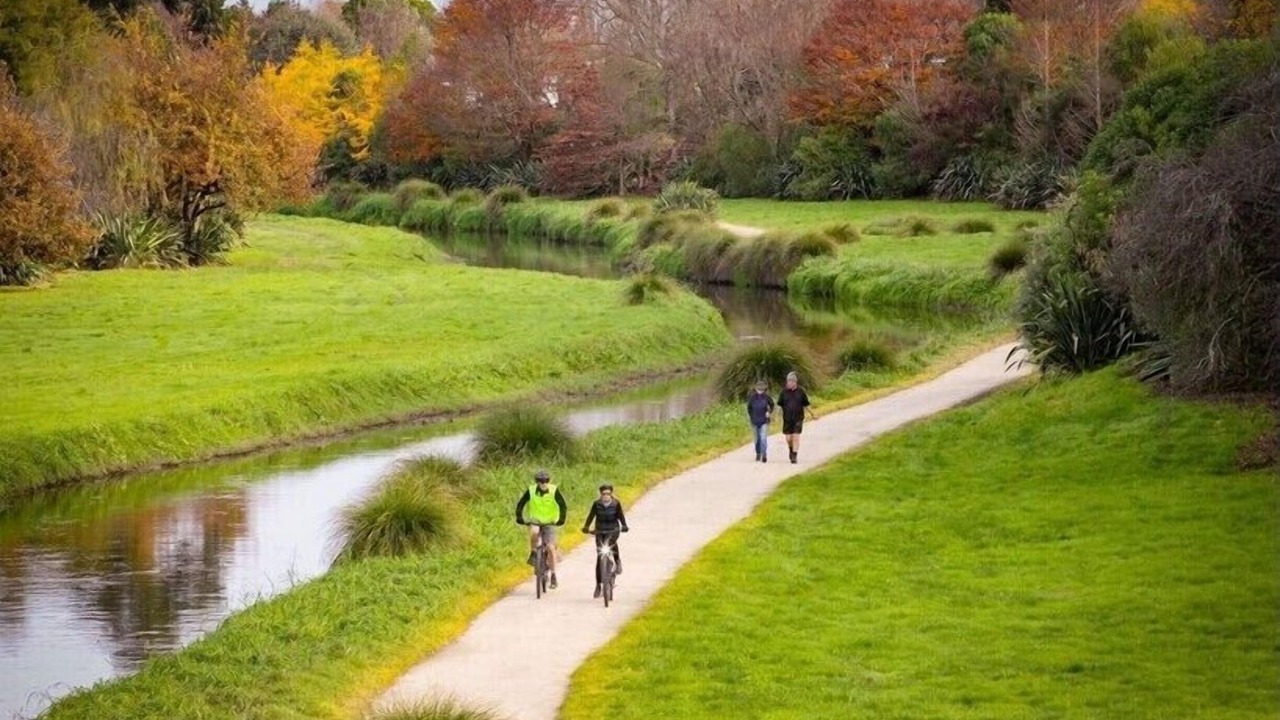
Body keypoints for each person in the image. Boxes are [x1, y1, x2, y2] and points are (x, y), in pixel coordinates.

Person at [514, 469, 567, 589]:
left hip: (550, 521)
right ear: (537, 482)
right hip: (535, 520)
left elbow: (562, 505)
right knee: (534, 532)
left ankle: (553, 575)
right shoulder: (531, 490)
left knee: (550, 547)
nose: (543, 483)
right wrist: (519, 517)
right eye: (540, 481)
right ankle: (533, 552)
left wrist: (561, 519)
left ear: (548, 481)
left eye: (545, 481)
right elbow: (521, 504)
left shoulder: (554, 490)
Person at [581, 483, 629, 598]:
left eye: (608, 493)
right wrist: (586, 527)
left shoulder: (616, 503)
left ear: (611, 494)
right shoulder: (596, 504)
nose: (606, 496)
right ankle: (598, 585)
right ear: (600, 494)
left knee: (611, 543)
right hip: (600, 531)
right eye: (604, 494)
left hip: (613, 530)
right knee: (599, 557)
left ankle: (617, 561)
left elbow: (621, 516)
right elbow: (591, 516)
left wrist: (624, 525)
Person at [777, 371, 815, 464]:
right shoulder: (783, 392)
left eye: (790, 382)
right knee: (788, 439)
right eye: (788, 381)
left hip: (798, 418)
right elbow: (779, 405)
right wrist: (777, 417)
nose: (788, 383)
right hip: (787, 419)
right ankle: (790, 449)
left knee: (796, 437)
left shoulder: (801, 391)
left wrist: (813, 414)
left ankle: (794, 455)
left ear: (795, 382)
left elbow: (806, 404)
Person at [746, 379, 775, 462]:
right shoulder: (752, 398)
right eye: (758, 387)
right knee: (757, 439)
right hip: (754, 421)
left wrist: (769, 412)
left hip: (764, 421)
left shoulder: (767, 397)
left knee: (763, 438)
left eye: (762, 388)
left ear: (764, 388)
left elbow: (772, 405)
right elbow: (749, 408)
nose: (760, 389)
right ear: (755, 388)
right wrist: (752, 417)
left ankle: (764, 454)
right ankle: (758, 453)